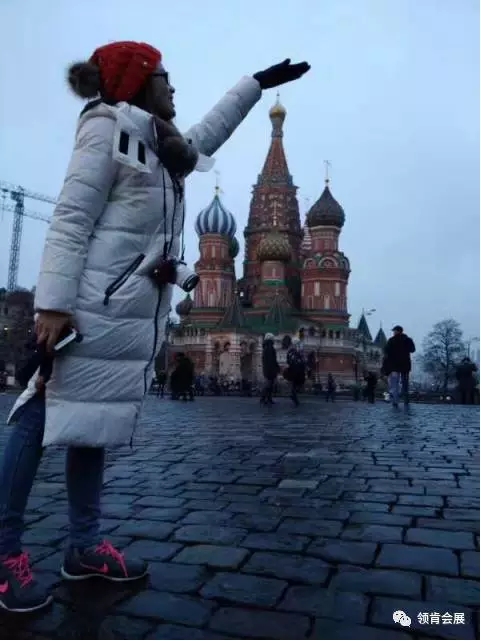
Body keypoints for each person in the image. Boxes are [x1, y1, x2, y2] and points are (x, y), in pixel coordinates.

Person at [0, 40, 310, 613]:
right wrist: (52, 306)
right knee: (36, 417)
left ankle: (84, 546)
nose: (173, 86)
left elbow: (206, 135)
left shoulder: (163, 146)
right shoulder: (107, 127)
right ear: (140, 82)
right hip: (85, 308)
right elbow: (71, 218)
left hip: (124, 311)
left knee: (92, 423)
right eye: (164, 77)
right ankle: (4, 553)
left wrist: (255, 85)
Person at [382, 325, 416, 408]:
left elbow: (386, 351)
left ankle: (395, 401)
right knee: (405, 383)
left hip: (394, 366)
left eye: (394, 331)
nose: (393, 332)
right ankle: (406, 400)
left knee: (394, 384)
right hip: (405, 365)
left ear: (397, 331)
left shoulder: (391, 340)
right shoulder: (408, 340)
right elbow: (412, 350)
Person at [285, 338, 306, 406]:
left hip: (295, 370)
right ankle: (294, 397)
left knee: (295, 384)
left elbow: (289, 360)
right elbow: (298, 360)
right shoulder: (294, 351)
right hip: (296, 370)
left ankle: (294, 396)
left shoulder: (292, 351)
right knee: (297, 384)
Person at [260, 333, 279, 405]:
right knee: (269, 384)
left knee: (269, 384)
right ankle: (264, 398)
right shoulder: (269, 348)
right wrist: (275, 368)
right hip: (270, 369)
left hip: (267, 369)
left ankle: (268, 398)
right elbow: (272, 360)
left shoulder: (266, 347)